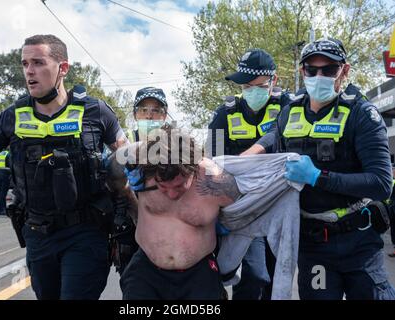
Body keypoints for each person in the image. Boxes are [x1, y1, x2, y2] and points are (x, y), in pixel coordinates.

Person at [0, 34, 128, 300]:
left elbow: (129, 158)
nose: (29, 71)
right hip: (38, 236)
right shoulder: (11, 117)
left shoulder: (96, 112)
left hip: (86, 233)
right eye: (25, 63)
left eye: (38, 62)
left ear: (62, 68)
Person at [246, 38, 395, 299]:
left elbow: (381, 183)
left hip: (358, 240)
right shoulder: (287, 114)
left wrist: (318, 177)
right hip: (313, 244)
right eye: (311, 70)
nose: (319, 76)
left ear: (344, 71)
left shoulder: (362, 114)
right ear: (302, 71)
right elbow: (269, 143)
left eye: (329, 70)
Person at [114, 125, 240, 299]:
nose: (172, 194)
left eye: (180, 186)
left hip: (198, 273)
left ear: (194, 169)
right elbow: (112, 171)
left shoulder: (215, 179)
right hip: (146, 270)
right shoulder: (142, 169)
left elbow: (251, 206)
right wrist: (130, 198)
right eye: (163, 187)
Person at [208, 49, 286, 299]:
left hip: (280, 207)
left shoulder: (288, 106)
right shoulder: (225, 114)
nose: (252, 91)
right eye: (246, 86)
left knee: (276, 279)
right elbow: (211, 159)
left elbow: (279, 133)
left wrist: (252, 152)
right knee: (254, 276)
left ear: (273, 81)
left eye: (259, 85)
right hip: (242, 209)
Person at [111, 87, 168, 275]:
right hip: (130, 230)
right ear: (135, 115)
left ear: (165, 115)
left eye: (156, 110)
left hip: (167, 229)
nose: (149, 116)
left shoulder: (177, 144)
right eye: (144, 110)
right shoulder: (122, 143)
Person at [0, 150, 11, 215]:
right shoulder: (8, 154)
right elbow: (10, 165)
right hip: (6, 174)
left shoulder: (0, 154)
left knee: (1, 193)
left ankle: (0, 209)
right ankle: (2, 209)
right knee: (3, 194)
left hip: (0, 174)